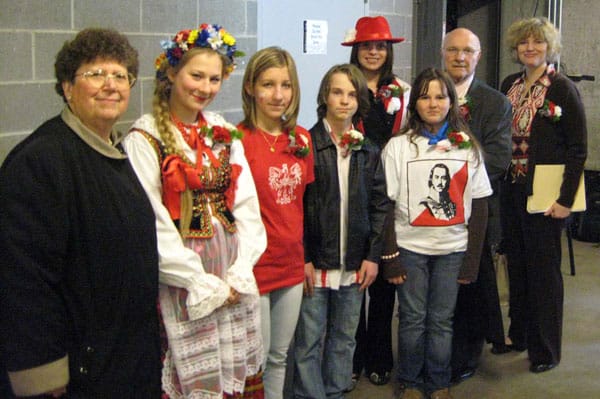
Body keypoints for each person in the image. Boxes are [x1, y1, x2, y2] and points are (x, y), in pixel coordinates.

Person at [0, 28, 161, 398]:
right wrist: (43, 375)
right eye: (95, 74)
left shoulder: (112, 151)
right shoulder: (42, 160)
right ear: (67, 87)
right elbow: (25, 280)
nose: (110, 85)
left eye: (120, 76)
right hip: (77, 372)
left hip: (122, 356)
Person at [123, 25, 267, 398]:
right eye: (196, 75)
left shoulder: (221, 131)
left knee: (234, 376)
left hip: (233, 278)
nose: (205, 87)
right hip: (186, 285)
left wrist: (240, 271)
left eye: (215, 78)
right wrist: (199, 282)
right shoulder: (144, 139)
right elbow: (152, 224)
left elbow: (246, 204)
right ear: (172, 73)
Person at [382, 67, 492, 399]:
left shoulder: (466, 147)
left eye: (440, 96)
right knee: (413, 320)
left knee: (442, 321)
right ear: (414, 102)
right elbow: (386, 205)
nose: (433, 103)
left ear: (451, 102)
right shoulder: (399, 147)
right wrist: (390, 256)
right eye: (425, 96)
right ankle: (411, 381)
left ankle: (439, 382)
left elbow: (481, 205)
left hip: (453, 250)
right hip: (410, 249)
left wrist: (471, 260)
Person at [292, 63, 389, 399]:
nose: (344, 101)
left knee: (344, 339)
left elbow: (379, 207)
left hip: (354, 264)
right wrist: (302, 257)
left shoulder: (369, 149)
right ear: (325, 96)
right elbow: (296, 208)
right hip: (316, 262)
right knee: (309, 341)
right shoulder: (304, 144)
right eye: (337, 92)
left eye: (351, 94)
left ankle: (334, 393)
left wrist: (373, 256)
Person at [499, 17, 587, 373]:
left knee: (543, 274)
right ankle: (519, 334)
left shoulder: (562, 89)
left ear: (549, 47)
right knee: (516, 266)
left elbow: (578, 148)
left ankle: (546, 349)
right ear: (516, 49)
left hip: (547, 196)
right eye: (524, 43)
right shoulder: (510, 85)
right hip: (512, 189)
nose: (530, 48)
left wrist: (565, 200)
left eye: (537, 42)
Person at [237, 47, 315, 399]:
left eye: (286, 85)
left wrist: (306, 258)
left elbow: (304, 205)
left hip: (291, 263)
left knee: (280, 355)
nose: (278, 95)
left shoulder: (301, 139)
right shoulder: (236, 141)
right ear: (251, 87)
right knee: (257, 361)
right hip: (255, 267)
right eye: (268, 84)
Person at [341, 15, 411, 388]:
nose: (373, 52)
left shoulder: (403, 89)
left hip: (390, 192)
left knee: (385, 277)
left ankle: (380, 355)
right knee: (354, 278)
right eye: (367, 45)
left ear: (388, 51)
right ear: (356, 49)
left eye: (380, 46)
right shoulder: (343, 84)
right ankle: (352, 353)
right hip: (351, 189)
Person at [440, 27, 513, 384]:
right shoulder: (429, 95)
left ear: (478, 57)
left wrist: (451, 174)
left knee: (470, 282)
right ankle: (436, 349)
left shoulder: (495, 103)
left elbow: (498, 160)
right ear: (443, 53)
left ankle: (465, 355)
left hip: (474, 211)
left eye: (467, 51)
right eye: (453, 50)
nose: (459, 57)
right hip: (431, 214)